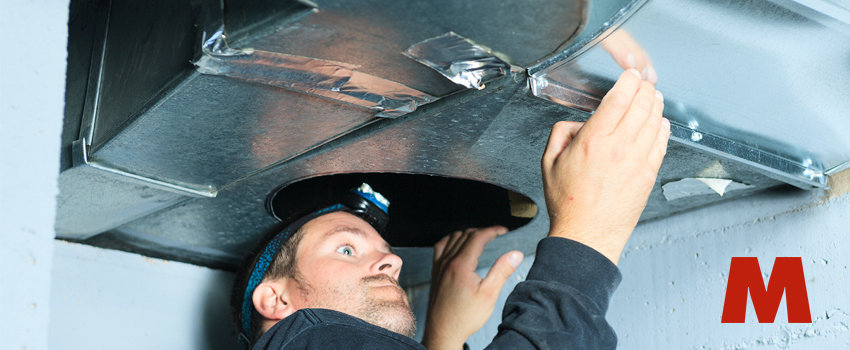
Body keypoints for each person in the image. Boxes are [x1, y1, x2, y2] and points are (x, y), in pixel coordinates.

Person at [230, 68, 670, 349]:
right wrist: (589, 229)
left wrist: (442, 338)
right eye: (346, 248)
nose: (392, 260)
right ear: (277, 298)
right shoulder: (307, 336)